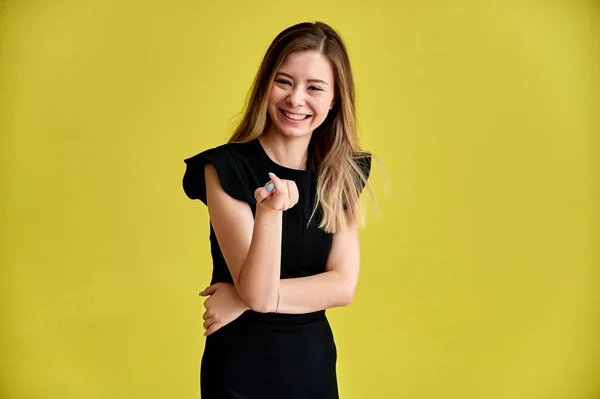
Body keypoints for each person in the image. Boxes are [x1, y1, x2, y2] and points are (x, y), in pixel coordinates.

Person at [182, 21, 372, 399]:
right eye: (284, 82)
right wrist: (269, 213)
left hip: (311, 364)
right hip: (240, 368)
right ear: (265, 84)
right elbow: (260, 293)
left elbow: (343, 286)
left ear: (334, 99)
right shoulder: (225, 168)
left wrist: (239, 298)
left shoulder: (341, 173)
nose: (296, 99)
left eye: (314, 87)